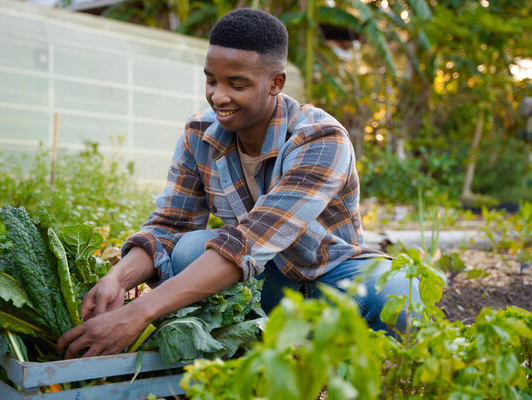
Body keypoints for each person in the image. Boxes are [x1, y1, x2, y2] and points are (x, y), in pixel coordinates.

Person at [57, 8, 420, 359]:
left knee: (398, 291)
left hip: (332, 279)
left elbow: (252, 239)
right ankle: (253, 343)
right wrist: (117, 278)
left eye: (237, 84)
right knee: (186, 250)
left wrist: (137, 314)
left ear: (276, 83)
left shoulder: (319, 138)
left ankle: (349, 352)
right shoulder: (199, 134)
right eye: (211, 80)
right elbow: (169, 226)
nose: (218, 96)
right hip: (265, 281)